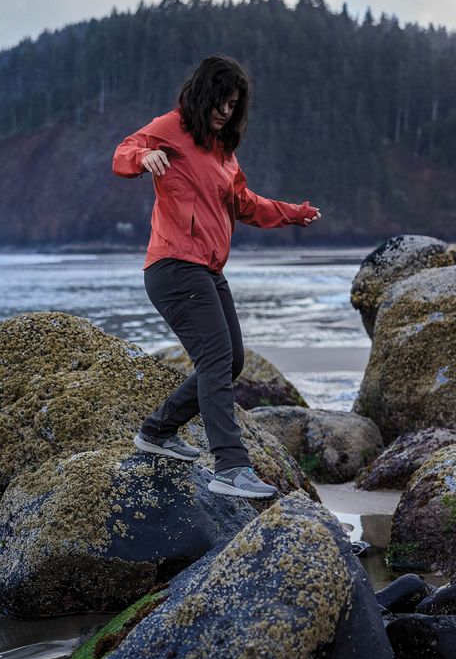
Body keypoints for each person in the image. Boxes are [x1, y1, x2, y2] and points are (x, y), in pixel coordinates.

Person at [113, 55, 321, 499]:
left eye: (234, 105)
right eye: (221, 102)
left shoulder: (223, 152)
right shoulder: (171, 128)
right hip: (173, 266)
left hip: (206, 269)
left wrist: (294, 214)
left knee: (232, 361)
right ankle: (230, 466)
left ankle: (157, 431)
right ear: (204, 94)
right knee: (214, 360)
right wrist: (144, 154)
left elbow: (245, 203)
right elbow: (122, 153)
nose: (226, 112)